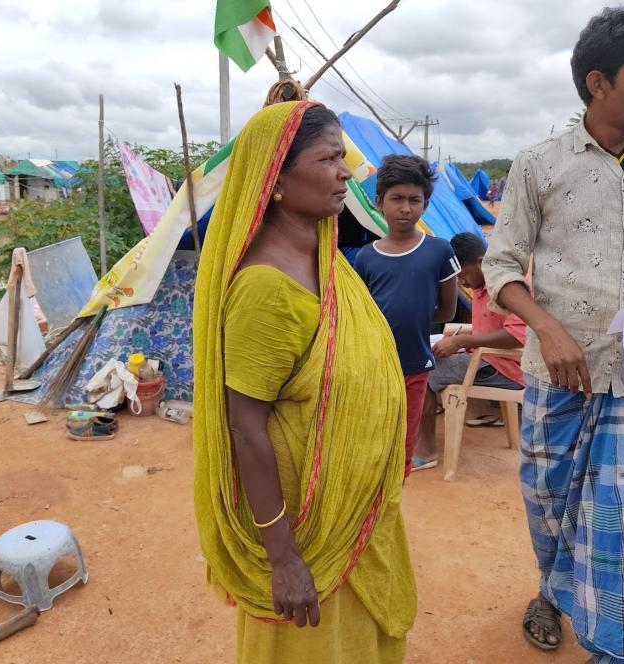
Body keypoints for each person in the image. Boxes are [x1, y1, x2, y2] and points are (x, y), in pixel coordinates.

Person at [483, 6, 624, 663]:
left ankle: (613, 648)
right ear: (596, 82)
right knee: (549, 508)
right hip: (561, 380)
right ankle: (553, 591)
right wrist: (547, 329)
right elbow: (501, 264)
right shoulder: (537, 165)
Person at [193, 101, 417, 663]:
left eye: (344, 157)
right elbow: (244, 425)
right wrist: (284, 557)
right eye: (329, 159)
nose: (346, 171)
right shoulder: (265, 289)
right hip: (305, 524)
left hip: (353, 506)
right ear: (276, 182)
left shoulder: (327, 260)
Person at [354, 155, 460, 476]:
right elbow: (362, 314)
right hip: (373, 366)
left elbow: (447, 309)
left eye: (415, 200)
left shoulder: (439, 250)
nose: (405, 208)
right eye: (396, 199)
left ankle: (392, 501)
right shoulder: (366, 257)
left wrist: (411, 321)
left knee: (403, 447)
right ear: (378, 202)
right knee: (373, 439)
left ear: (425, 204)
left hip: (415, 365)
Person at [414, 232, 526, 457]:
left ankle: (426, 451)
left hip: (505, 368)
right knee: (427, 357)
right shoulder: (482, 284)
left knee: (421, 368)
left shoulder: (506, 286)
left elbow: (516, 336)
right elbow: (490, 328)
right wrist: (457, 337)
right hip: (489, 360)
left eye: (462, 275)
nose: (461, 282)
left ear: (481, 262)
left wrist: (462, 340)